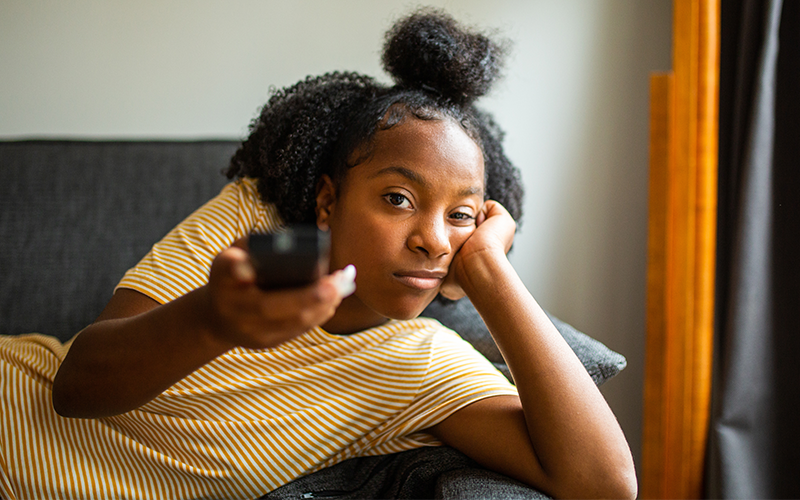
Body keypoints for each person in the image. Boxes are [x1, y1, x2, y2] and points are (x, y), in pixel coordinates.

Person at [0, 9, 636, 499]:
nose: (433, 239)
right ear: (328, 203)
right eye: (396, 198)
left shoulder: (422, 371)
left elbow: (605, 484)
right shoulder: (254, 222)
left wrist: (492, 272)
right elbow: (77, 386)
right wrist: (212, 320)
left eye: (461, 216)